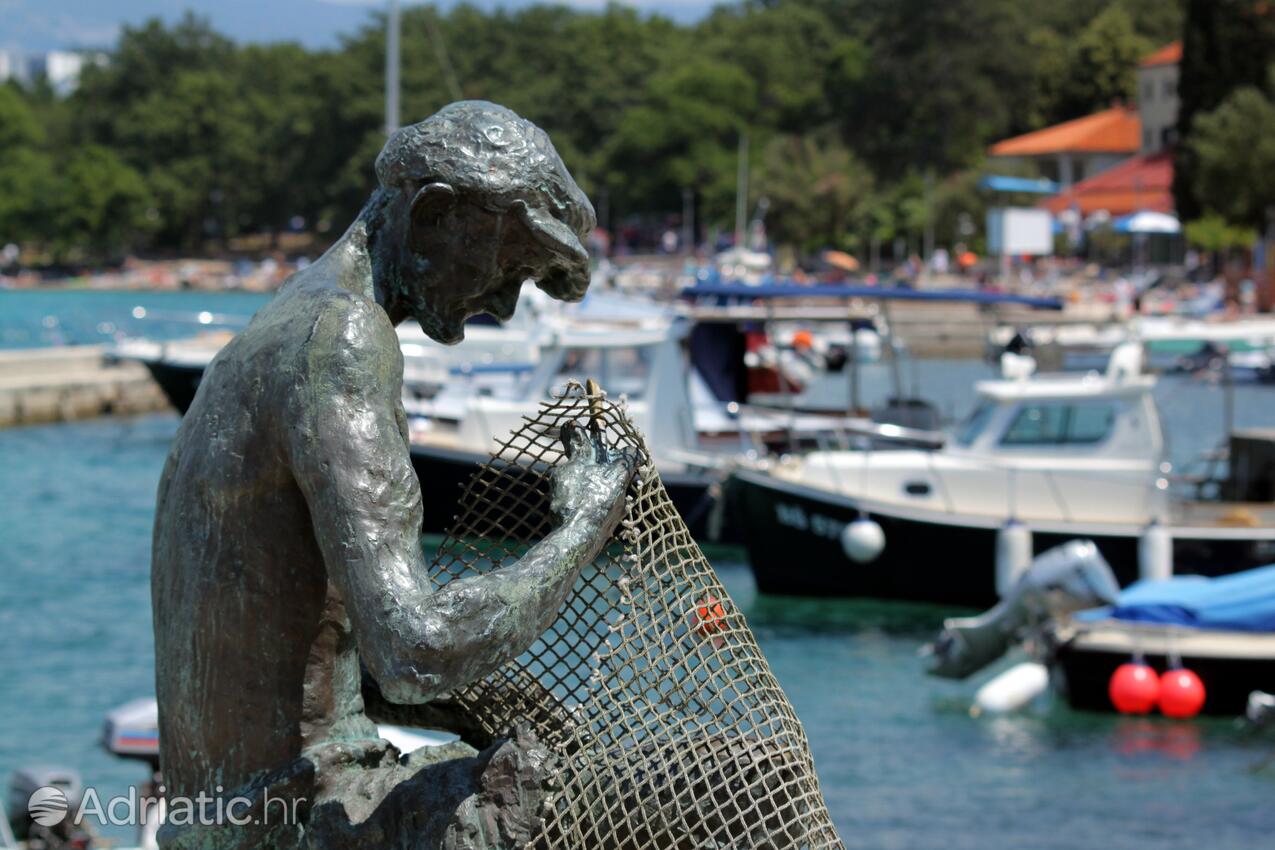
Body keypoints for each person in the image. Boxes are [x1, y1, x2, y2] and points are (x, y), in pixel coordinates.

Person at [151, 101, 634, 849]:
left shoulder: (296, 317)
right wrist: (583, 525)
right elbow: (416, 651)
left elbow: (321, 642)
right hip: (281, 819)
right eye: (507, 266)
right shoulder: (339, 340)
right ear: (436, 213)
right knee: (668, 787)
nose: (505, 305)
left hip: (249, 804)